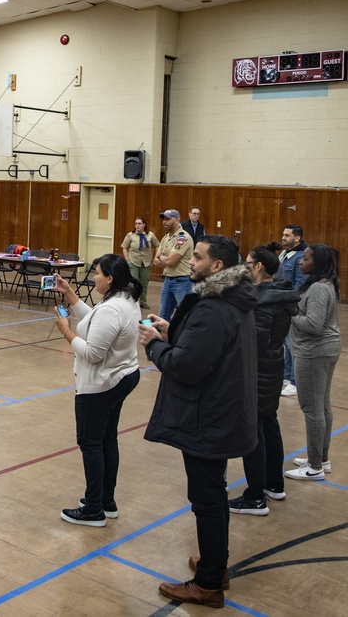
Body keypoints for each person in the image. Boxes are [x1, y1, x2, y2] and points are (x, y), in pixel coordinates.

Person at [138, 235, 257, 609]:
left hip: (208, 418)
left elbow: (185, 366)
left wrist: (154, 345)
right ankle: (214, 565)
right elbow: (208, 348)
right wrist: (172, 332)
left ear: (217, 266)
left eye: (199, 257)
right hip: (222, 412)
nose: (192, 261)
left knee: (205, 499)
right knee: (213, 495)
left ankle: (207, 584)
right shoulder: (232, 301)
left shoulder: (213, 308)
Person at [52, 254, 142, 527]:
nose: (94, 278)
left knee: (91, 443)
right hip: (121, 376)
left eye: (97, 274)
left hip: (102, 384)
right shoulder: (124, 299)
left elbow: (92, 353)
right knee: (106, 440)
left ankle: (93, 509)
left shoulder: (113, 308)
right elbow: (96, 320)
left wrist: (66, 332)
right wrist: (70, 295)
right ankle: (105, 500)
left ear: (110, 278)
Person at [228, 247, 299, 515]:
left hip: (258, 370)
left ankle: (255, 497)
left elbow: (253, 341)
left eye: (247, 263)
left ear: (258, 267)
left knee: (254, 431)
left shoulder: (262, 301)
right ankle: (274, 483)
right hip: (272, 366)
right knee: (269, 424)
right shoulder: (277, 295)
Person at [285, 243, 341, 482]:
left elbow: (313, 324)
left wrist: (291, 311)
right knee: (322, 406)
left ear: (317, 263)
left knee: (312, 409)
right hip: (323, 351)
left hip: (314, 352)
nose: (301, 261)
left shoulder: (319, 288)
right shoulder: (323, 284)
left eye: (306, 259)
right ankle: (321, 458)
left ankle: (315, 466)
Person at [275, 224, 307, 397]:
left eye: (287, 235)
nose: (283, 237)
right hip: (281, 304)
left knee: (292, 344)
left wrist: (289, 305)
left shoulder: (301, 256)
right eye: (283, 234)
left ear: (297, 238)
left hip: (291, 306)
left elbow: (300, 285)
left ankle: (294, 381)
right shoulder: (285, 253)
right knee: (285, 343)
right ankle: (287, 377)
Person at [153, 208, 194, 320]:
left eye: (168, 219)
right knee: (163, 315)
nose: (164, 222)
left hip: (183, 281)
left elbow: (169, 261)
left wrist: (161, 258)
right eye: (163, 219)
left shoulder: (183, 238)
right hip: (168, 280)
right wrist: (163, 259)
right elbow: (155, 261)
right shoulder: (166, 238)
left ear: (177, 220)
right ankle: (163, 337)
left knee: (184, 315)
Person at [120, 217, 159, 309]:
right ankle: (132, 301)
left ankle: (143, 302)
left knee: (144, 283)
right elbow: (124, 248)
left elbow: (157, 246)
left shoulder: (150, 235)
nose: (137, 225)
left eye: (139, 223)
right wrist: (127, 260)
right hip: (133, 262)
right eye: (136, 223)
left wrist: (156, 257)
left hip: (146, 262)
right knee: (133, 283)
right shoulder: (130, 235)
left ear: (144, 225)